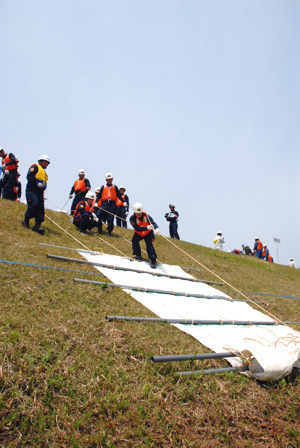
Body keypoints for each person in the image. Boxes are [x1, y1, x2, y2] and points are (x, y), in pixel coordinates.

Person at [22, 155, 50, 234]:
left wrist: (43, 187)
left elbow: (44, 182)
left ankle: (37, 225)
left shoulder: (44, 173)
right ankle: (26, 220)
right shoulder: (35, 167)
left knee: (41, 209)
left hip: (40, 192)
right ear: (40, 161)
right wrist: (36, 183)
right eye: (46, 162)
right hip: (32, 190)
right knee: (34, 204)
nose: (47, 164)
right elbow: (29, 176)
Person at [130, 202, 160, 269]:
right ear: (134, 212)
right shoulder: (132, 219)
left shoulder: (146, 216)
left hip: (148, 233)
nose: (139, 214)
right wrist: (146, 227)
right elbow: (137, 229)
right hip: (139, 233)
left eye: (140, 212)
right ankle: (138, 255)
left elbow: (153, 222)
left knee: (149, 244)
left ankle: (153, 260)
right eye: (137, 213)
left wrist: (157, 228)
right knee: (134, 241)